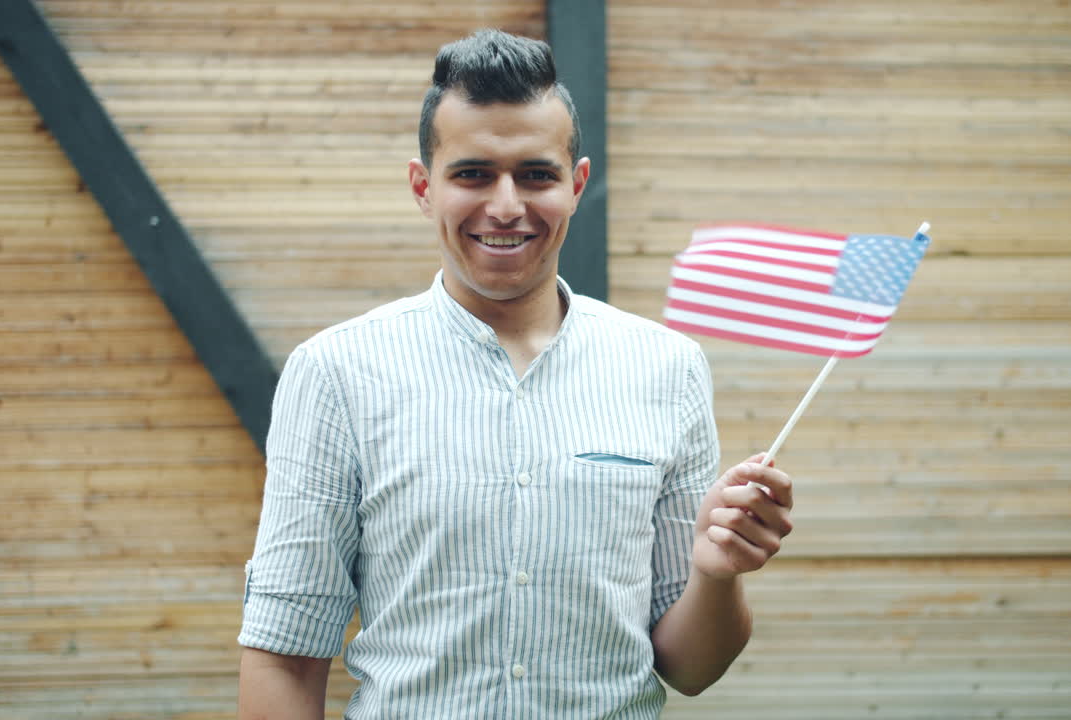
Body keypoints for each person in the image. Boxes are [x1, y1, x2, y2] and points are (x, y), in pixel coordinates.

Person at [236, 28, 793, 719]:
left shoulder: (667, 369)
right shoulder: (336, 374)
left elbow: (691, 669)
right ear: (423, 186)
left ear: (576, 184)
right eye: (472, 173)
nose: (505, 206)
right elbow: (285, 655)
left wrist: (715, 575)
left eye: (536, 174)